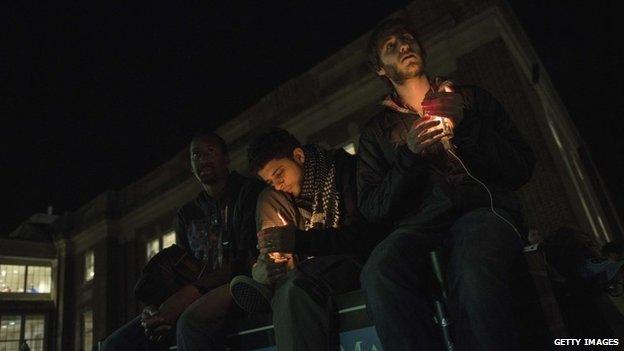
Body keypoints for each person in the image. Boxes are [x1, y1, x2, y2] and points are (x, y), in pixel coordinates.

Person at [357, 18, 535, 351]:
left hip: (483, 210)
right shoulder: (376, 133)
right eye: (391, 46)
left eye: (408, 38)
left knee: (473, 268)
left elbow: (521, 166)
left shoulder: (470, 99)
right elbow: (373, 207)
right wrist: (409, 156)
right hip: (420, 224)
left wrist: (467, 127)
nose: (405, 46)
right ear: (380, 69)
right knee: (379, 271)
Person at [101, 132, 264, 351]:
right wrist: (154, 309)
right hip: (193, 296)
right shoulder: (187, 213)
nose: (203, 159)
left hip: (240, 287)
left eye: (210, 151)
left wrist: (189, 294)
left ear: (226, 158)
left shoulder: (249, 192)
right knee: (115, 344)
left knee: (189, 323)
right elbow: (178, 268)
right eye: (196, 154)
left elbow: (247, 260)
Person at [230, 128, 385, 350]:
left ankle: (267, 283)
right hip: (306, 265)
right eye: (270, 181)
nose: (278, 184)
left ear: (299, 157)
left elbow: (361, 236)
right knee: (268, 200)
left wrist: (298, 241)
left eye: (279, 174)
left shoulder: (345, 170)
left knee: (294, 287)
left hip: (349, 258)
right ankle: (269, 271)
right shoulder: (282, 196)